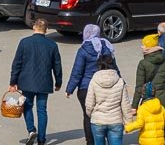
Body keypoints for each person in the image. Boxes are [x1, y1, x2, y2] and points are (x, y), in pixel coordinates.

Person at [9, 17, 62, 145]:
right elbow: (57, 65)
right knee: (42, 110)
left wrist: (13, 82)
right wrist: (58, 82)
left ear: (34, 27)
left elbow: (17, 63)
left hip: (27, 81)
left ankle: (31, 130)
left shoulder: (24, 42)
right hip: (44, 82)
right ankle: (42, 139)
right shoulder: (52, 45)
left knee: (27, 106)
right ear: (47, 30)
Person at [66, 24, 117, 145]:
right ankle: (105, 139)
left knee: (88, 116)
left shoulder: (83, 49)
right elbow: (114, 67)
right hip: (105, 87)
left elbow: (77, 71)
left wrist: (70, 88)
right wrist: (121, 82)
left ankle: (91, 141)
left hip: (86, 88)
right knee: (104, 114)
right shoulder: (107, 47)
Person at [85, 52, 134, 145]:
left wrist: (91, 114)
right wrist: (128, 121)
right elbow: (125, 104)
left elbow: (89, 103)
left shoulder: (94, 80)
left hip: (98, 121)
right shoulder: (119, 81)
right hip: (115, 121)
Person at [131, 34, 165, 121]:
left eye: (144, 45)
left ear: (148, 47)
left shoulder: (143, 64)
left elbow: (139, 87)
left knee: (150, 129)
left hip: (149, 102)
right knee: (163, 129)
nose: (142, 47)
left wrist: (134, 106)